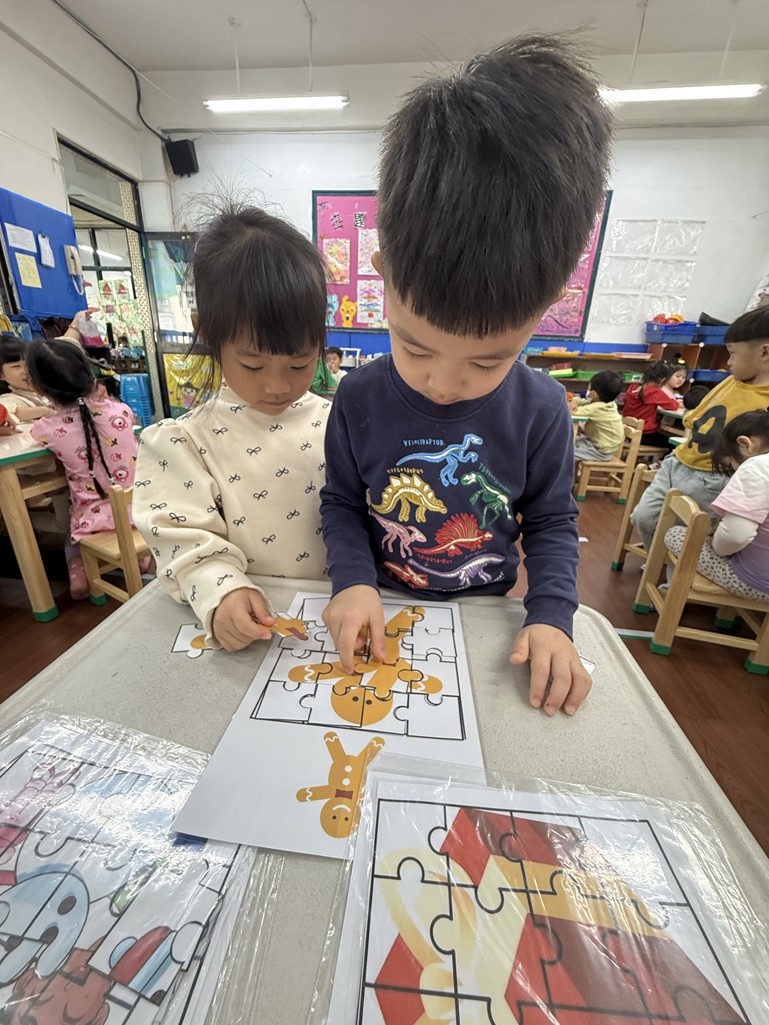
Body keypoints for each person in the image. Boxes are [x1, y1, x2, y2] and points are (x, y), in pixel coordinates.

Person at [320, 35, 613, 717]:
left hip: (485, 616)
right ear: (385, 279)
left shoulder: (541, 407)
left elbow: (551, 519)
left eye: (487, 360)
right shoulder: (357, 396)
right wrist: (353, 580)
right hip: (379, 605)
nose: (444, 384)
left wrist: (551, 615)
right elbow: (340, 502)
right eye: (414, 346)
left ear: (546, 308)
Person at [133, 205, 331, 652]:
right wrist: (221, 591)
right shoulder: (182, 443)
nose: (277, 386)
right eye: (253, 364)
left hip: (340, 619)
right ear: (205, 332)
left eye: (300, 362)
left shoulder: (338, 422)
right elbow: (183, 540)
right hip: (256, 627)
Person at [632, 307, 769, 553]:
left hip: (714, 477)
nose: (729, 362)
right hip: (679, 462)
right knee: (644, 518)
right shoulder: (733, 380)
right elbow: (694, 418)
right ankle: (656, 563)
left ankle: (669, 573)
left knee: (687, 539)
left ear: (764, 352)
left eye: (733, 353)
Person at [25, 339, 141, 599]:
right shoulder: (121, 411)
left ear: (38, 387)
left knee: (71, 529)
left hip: (92, 520)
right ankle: (141, 559)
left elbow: (36, 433)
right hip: (137, 510)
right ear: (90, 376)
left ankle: (77, 569)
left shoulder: (47, 428)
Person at [665, 409, 769, 600]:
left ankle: (669, 593)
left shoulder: (756, 467)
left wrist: (717, 547)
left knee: (675, 534)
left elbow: (735, 536)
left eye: (731, 466)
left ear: (745, 444)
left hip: (754, 582)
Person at [569, 371, 624, 463]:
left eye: (588, 389)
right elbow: (584, 402)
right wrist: (575, 401)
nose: (587, 391)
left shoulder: (597, 408)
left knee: (566, 451)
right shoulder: (609, 403)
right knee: (568, 443)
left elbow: (572, 413)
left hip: (599, 451)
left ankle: (565, 472)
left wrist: (571, 404)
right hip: (605, 447)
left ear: (594, 394)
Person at [622, 361, 680, 447]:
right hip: (645, 434)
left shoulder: (633, 387)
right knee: (675, 444)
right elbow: (673, 405)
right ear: (662, 379)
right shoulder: (654, 392)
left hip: (628, 432)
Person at [0, 335, 51, 423]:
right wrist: (45, 411)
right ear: (1, 375)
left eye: (28, 364)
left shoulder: (50, 388)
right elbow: (8, 413)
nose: (26, 370)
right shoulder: (8, 399)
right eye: (16, 366)